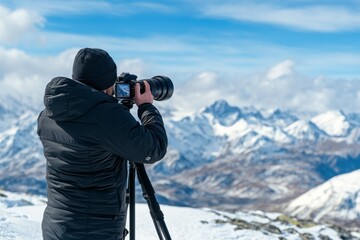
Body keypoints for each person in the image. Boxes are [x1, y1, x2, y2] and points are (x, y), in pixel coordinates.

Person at [37, 48, 168, 240]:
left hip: (56, 225)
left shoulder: (48, 114)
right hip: (94, 230)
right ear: (109, 82)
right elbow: (153, 149)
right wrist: (146, 107)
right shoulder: (105, 117)